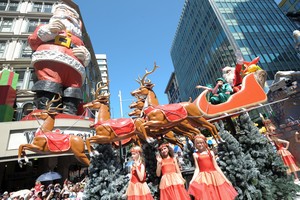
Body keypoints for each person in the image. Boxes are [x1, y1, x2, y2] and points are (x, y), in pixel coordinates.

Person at [28, 3, 91, 115]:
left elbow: (86, 56)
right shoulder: (45, 28)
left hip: (74, 71)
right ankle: (47, 114)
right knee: (49, 89)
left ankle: (69, 115)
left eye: (73, 15)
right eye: (65, 11)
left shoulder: (78, 38)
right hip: (51, 62)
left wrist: (85, 55)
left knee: (72, 94)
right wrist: (49, 30)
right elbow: (33, 41)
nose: (69, 15)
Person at [188, 134, 238, 200]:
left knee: (218, 193)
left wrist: (226, 179)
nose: (200, 144)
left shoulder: (210, 153)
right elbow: (197, 169)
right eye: (198, 143)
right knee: (207, 194)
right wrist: (192, 180)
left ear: (205, 143)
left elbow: (216, 166)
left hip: (214, 177)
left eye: (202, 142)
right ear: (195, 145)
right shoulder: (195, 155)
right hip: (204, 178)